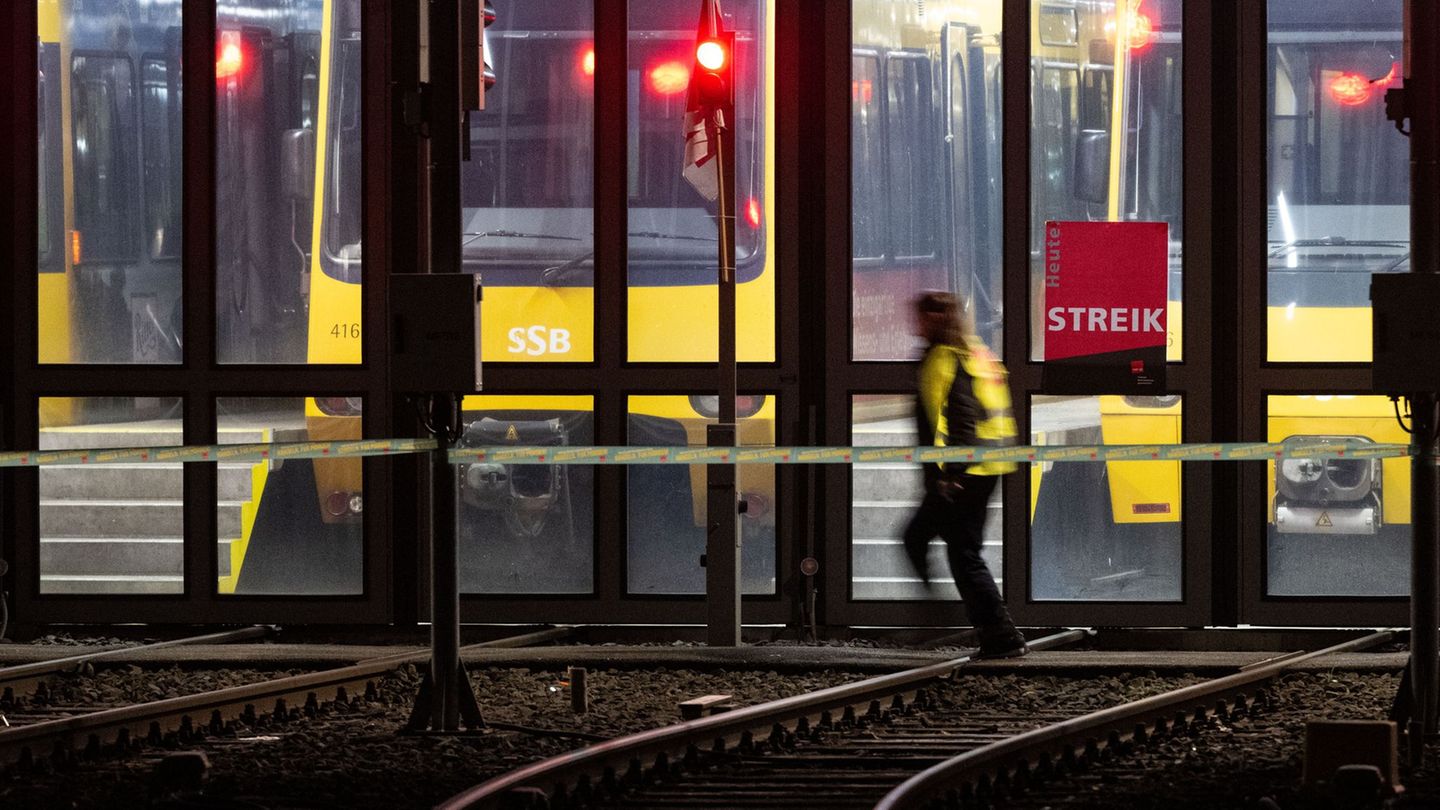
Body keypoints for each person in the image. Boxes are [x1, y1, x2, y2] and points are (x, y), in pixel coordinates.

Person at [904, 291, 1027, 658]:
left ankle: (1001, 635)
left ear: (932, 320)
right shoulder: (975, 351)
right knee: (922, 537)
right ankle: (942, 611)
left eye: (920, 317)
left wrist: (952, 473)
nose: (916, 324)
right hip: (984, 466)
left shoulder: (945, 358)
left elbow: (960, 416)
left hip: (965, 472)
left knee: (961, 553)